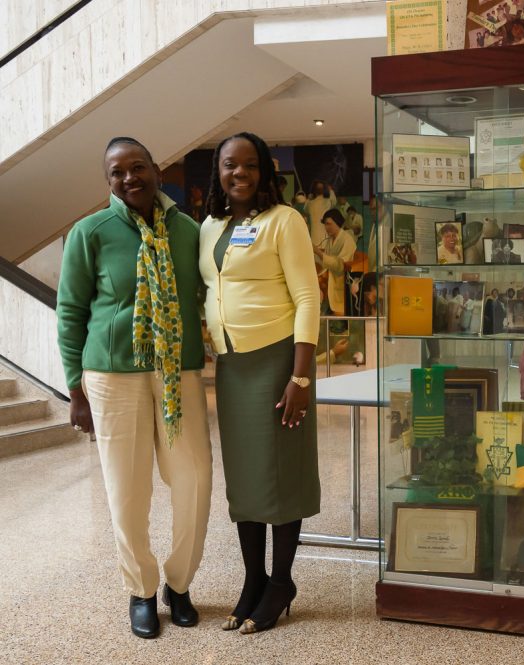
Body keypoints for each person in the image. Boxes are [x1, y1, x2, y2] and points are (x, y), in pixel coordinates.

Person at [57, 137, 213, 639]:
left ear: (156, 168)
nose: (130, 179)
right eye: (117, 173)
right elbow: (71, 313)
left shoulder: (188, 231)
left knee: (192, 480)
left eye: (138, 167)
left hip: (179, 372)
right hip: (111, 376)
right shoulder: (90, 232)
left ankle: (180, 584)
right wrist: (75, 392)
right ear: (108, 182)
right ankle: (141, 590)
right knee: (127, 491)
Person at [199, 131, 321, 634]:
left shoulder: (284, 221)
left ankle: (281, 581)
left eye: (249, 166)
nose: (239, 174)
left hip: (277, 363)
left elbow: (308, 299)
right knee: (246, 479)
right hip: (231, 368)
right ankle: (253, 579)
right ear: (219, 172)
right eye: (230, 165)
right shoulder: (209, 225)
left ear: (265, 173)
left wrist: (301, 376)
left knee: (281, 474)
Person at [313, 208, 357, 316]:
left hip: (341, 280)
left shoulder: (347, 240)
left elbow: (340, 265)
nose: (326, 227)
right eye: (325, 224)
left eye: (329, 224)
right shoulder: (330, 240)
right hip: (331, 278)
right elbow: (325, 262)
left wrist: (318, 252)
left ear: (337, 223)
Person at [305, 180, 333, 251]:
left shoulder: (310, 204)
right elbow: (334, 201)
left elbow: (305, 209)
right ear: (324, 190)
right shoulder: (328, 202)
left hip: (314, 238)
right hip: (325, 238)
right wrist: (331, 190)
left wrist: (308, 198)